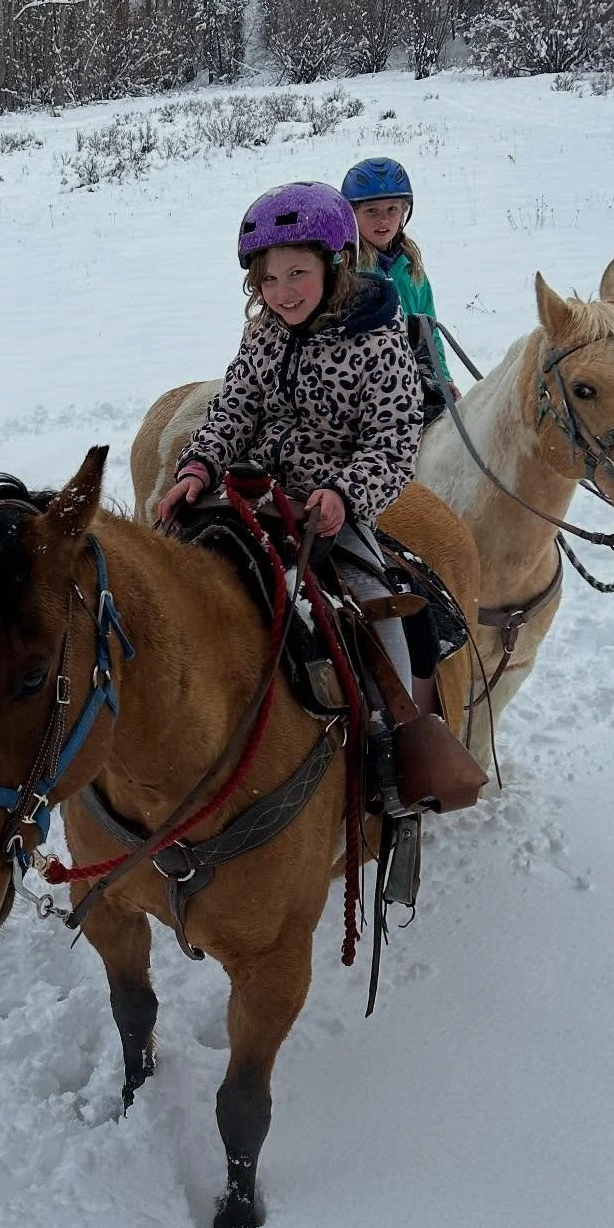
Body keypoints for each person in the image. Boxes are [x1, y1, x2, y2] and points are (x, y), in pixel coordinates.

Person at [155, 181, 424, 813]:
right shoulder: (264, 334)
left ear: (334, 265)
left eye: (297, 272)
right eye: (269, 279)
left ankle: (394, 747)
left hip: (329, 507)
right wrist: (199, 466)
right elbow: (236, 407)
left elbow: (394, 440)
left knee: (375, 608)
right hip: (250, 491)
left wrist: (343, 492)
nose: (283, 291)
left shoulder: (377, 341)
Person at [341, 155, 456, 411]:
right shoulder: (346, 268)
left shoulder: (411, 267)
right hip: (363, 383)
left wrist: (441, 377)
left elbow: (429, 329)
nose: (383, 220)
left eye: (392, 209)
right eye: (371, 211)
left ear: (405, 211)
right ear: (352, 215)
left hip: (414, 377)